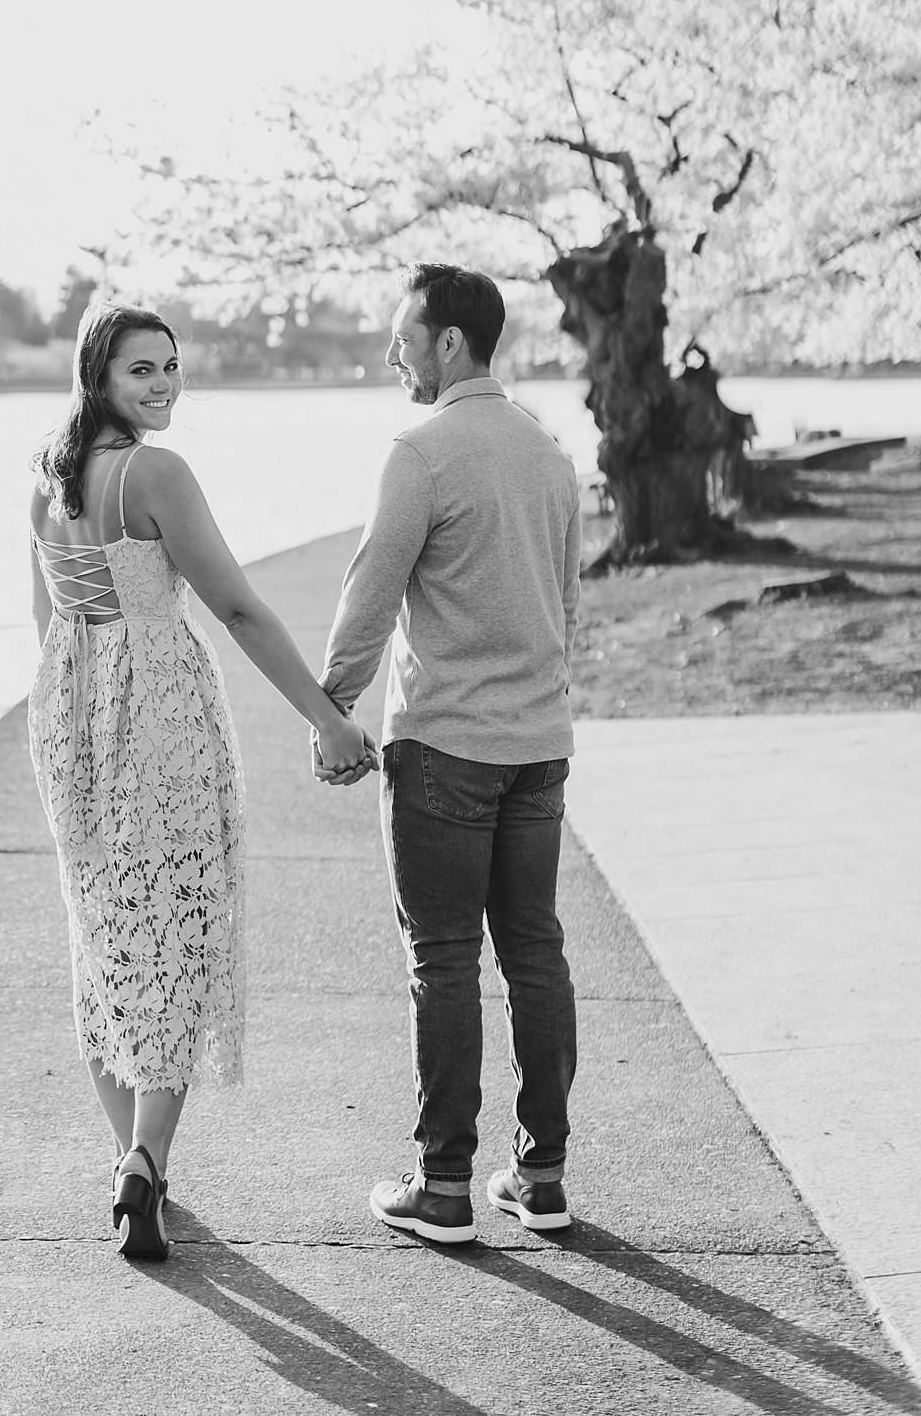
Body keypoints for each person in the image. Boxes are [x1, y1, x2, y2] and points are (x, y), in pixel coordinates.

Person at [28, 302, 376, 1262]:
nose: (163, 386)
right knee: (177, 930)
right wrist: (329, 716)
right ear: (97, 375)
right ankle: (145, 1158)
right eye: (142, 370)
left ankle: (135, 1171)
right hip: (162, 727)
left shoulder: (45, 488)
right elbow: (235, 604)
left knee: (104, 940)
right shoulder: (153, 474)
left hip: (74, 730)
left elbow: (47, 631)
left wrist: (79, 725)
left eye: (171, 368)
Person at [316, 263, 581, 1246]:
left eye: (404, 336)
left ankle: (442, 1188)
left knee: (444, 961)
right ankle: (541, 1176)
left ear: (450, 343)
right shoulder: (550, 455)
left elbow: (372, 595)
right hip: (539, 750)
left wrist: (334, 709)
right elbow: (568, 610)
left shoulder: (421, 453)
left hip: (446, 750)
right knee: (536, 953)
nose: (394, 353)